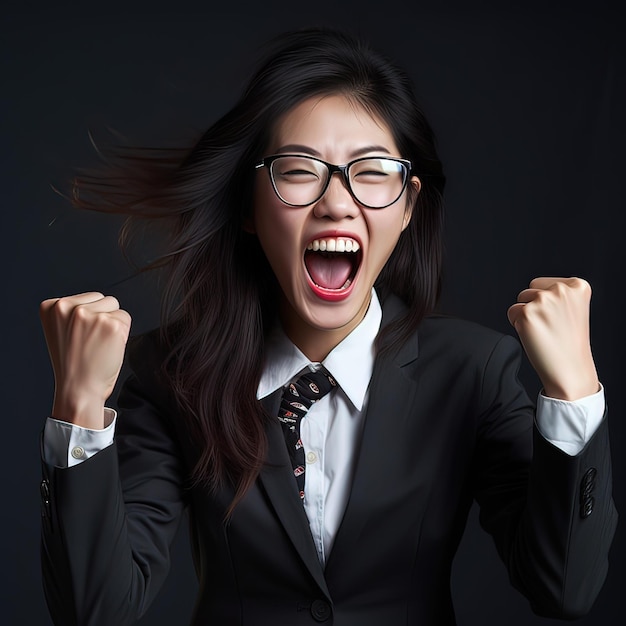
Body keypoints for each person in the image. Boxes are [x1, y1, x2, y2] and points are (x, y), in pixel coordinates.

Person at [38, 27, 617, 626]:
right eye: (298, 169)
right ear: (248, 208)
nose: (337, 203)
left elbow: (564, 589)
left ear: (408, 206)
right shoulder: (170, 376)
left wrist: (574, 393)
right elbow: (94, 611)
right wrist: (77, 407)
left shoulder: (473, 373)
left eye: (371, 171)